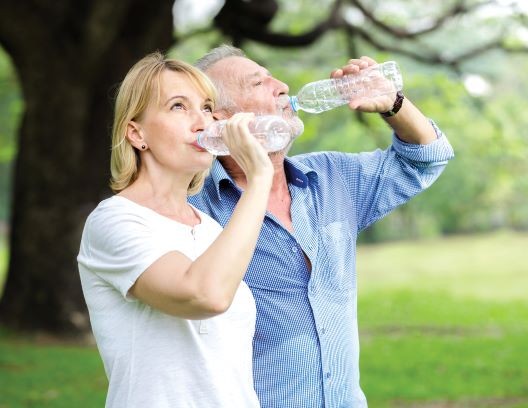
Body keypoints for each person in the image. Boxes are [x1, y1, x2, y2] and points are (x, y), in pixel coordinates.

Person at [189, 45, 455, 407]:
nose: (281, 85)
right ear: (221, 120)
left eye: (273, 76)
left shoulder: (331, 178)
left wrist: (394, 104)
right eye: (259, 83)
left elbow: (427, 159)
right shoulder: (195, 208)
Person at [77, 52, 274, 407]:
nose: (203, 122)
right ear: (137, 134)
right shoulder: (114, 222)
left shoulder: (212, 229)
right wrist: (259, 179)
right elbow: (205, 295)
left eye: (207, 106)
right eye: (179, 107)